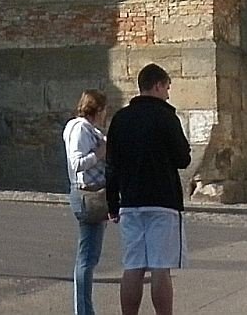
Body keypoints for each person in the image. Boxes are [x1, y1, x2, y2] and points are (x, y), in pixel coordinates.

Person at [103, 62, 190, 315]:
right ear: (157, 85)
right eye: (167, 88)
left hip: (130, 201)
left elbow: (111, 165)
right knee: (161, 267)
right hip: (162, 201)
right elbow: (183, 159)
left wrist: (112, 203)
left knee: (133, 266)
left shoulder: (121, 118)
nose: (168, 94)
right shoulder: (166, 117)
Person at [62, 88, 109, 315]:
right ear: (97, 109)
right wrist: (100, 154)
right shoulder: (80, 128)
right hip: (88, 195)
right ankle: (83, 310)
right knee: (87, 257)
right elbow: (76, 162)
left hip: (93, 194)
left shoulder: (86, 128)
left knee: (90, 256)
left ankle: (84, 309)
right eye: (103, 110)